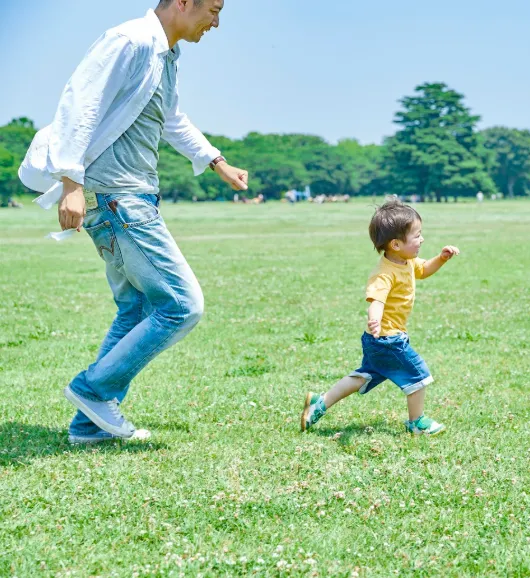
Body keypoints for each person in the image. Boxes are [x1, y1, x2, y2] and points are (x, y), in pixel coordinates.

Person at [18, 0, 249, 445]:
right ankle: (91, 389)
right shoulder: (131, 41)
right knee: (183, 304)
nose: (216, 23)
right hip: (118, 198)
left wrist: (215, 160)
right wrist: (71, 182)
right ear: (182, 3)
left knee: (138, 308)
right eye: (214, 10)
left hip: (130, 196)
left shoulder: (165, 54)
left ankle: (89, 425)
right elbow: (79, 103)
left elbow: (171, 118)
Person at [300, 200, 460, 435]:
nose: (422, 239)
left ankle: (320, 402)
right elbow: (377, 300)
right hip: (387, 338)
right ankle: (416, 422)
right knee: (418, 375)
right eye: (417, 235)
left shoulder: (406, 261)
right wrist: (374, 319)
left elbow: (424, 269)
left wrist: (442, 258)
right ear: (396, 244)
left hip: (381, 340)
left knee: (363, 376)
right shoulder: (384, 274)